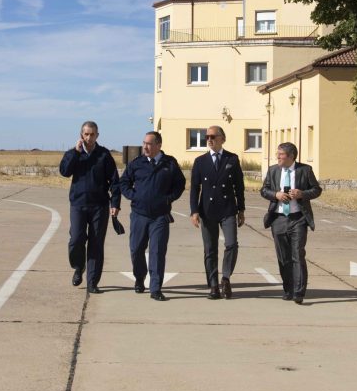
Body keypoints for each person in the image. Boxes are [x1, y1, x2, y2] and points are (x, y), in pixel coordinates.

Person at [119, 131, 186, 301]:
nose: (145, 147)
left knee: (157, 252)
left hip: (160, 216)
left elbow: (180, 184)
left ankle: (155, 288)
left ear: (158, 145)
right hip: (139, 215)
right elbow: (124, 182)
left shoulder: (169, 163)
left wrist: (168, 199)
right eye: (144, 143)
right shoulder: (137, 163)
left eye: (149, 144)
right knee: (136, 249)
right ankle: (140, 278)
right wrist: (133, 196)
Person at [59, 121, 121, 294]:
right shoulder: (73, 154)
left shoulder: (104, 155)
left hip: (99, 206)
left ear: (97, 136)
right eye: (86, 134)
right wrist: (75, 153)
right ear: (81, 135)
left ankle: (92, 282)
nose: (89, 137)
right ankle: (78, 267)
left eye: (92, 134)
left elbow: (115, 182)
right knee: (76, 239)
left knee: (96, 244)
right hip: (78, 204)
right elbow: (64, 171)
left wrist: (115, 203)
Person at [260, 142, 322, 304]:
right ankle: (288, 289)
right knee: (283, 257)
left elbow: (316, 190)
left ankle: (299, 292)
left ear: (291, 156)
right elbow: (264, 190)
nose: (277, 157)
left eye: (280, 154)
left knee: (298, 255)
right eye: (277, 154)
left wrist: (302, 193)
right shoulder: (273, 170)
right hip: (279, 219)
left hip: (298, 219)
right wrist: (276, 195)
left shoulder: (305, 170)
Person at [190, 125, 245, 299]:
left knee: (231, 244)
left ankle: (226, 278)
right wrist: (194, 211)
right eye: (207, 137)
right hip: (207, 210)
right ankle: (213, 285)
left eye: (213, 136)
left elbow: (239, 187)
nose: (209, 139)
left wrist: (241, 209)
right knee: (210, 249)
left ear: (222, 138)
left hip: (228, 209)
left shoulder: (232, 159)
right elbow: (194, 189)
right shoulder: (200, 161)